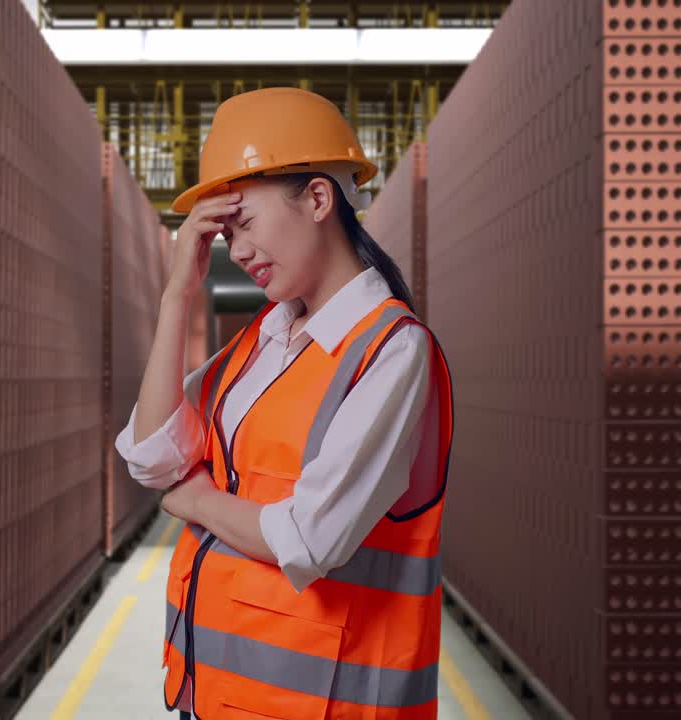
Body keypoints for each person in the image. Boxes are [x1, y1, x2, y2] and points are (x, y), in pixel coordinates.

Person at [115, 86, 454, 720]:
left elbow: (308, 537)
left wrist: (195, 500)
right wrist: (174, 298)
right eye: (223, 236)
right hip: (214, 698)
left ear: (319, 198)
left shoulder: (391, 350)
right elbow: (152, 460)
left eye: (241, 225)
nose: (236, 251)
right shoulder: (261, 343)